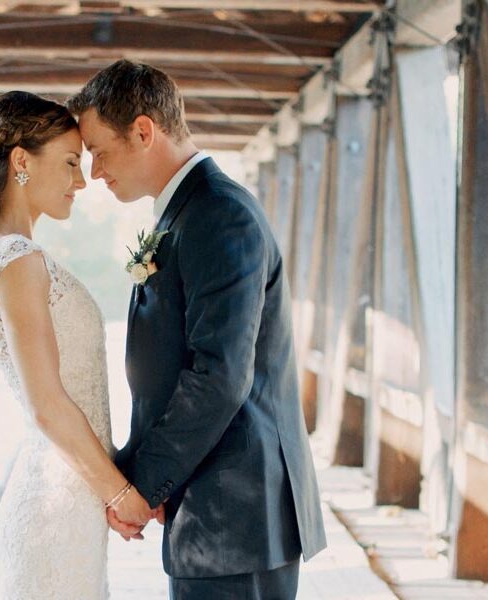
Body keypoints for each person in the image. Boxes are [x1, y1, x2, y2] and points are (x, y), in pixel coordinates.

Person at [67, 60, 327, 599]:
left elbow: (218, 374)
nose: (94, 172)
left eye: (99, 151)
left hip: (237, 512)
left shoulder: (218, 214)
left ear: (144, 131)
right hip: (215, 509)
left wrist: (143, 482)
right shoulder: (186, 212)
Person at [0, 91, 154, 599]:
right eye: (68, 163)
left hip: (64, 495)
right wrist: (120, 493)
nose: (81, 181)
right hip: (58, 505)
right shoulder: (14, 258)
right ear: (21, 161)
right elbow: (47, 404)